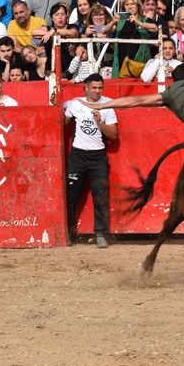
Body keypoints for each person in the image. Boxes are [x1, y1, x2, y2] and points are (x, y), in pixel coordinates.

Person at [64, 73, 118, 248]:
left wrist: (100, 123)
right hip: (78, 155)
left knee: (100, 196)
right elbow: (62, 121)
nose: (97, 91)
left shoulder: (108, 106)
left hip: (97, 157)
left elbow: (114, 135)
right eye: (94, 87)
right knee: (71, 194)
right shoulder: (75, 104)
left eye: (100, 88)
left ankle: (101, 233)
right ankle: (68, 230)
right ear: (85, 87)